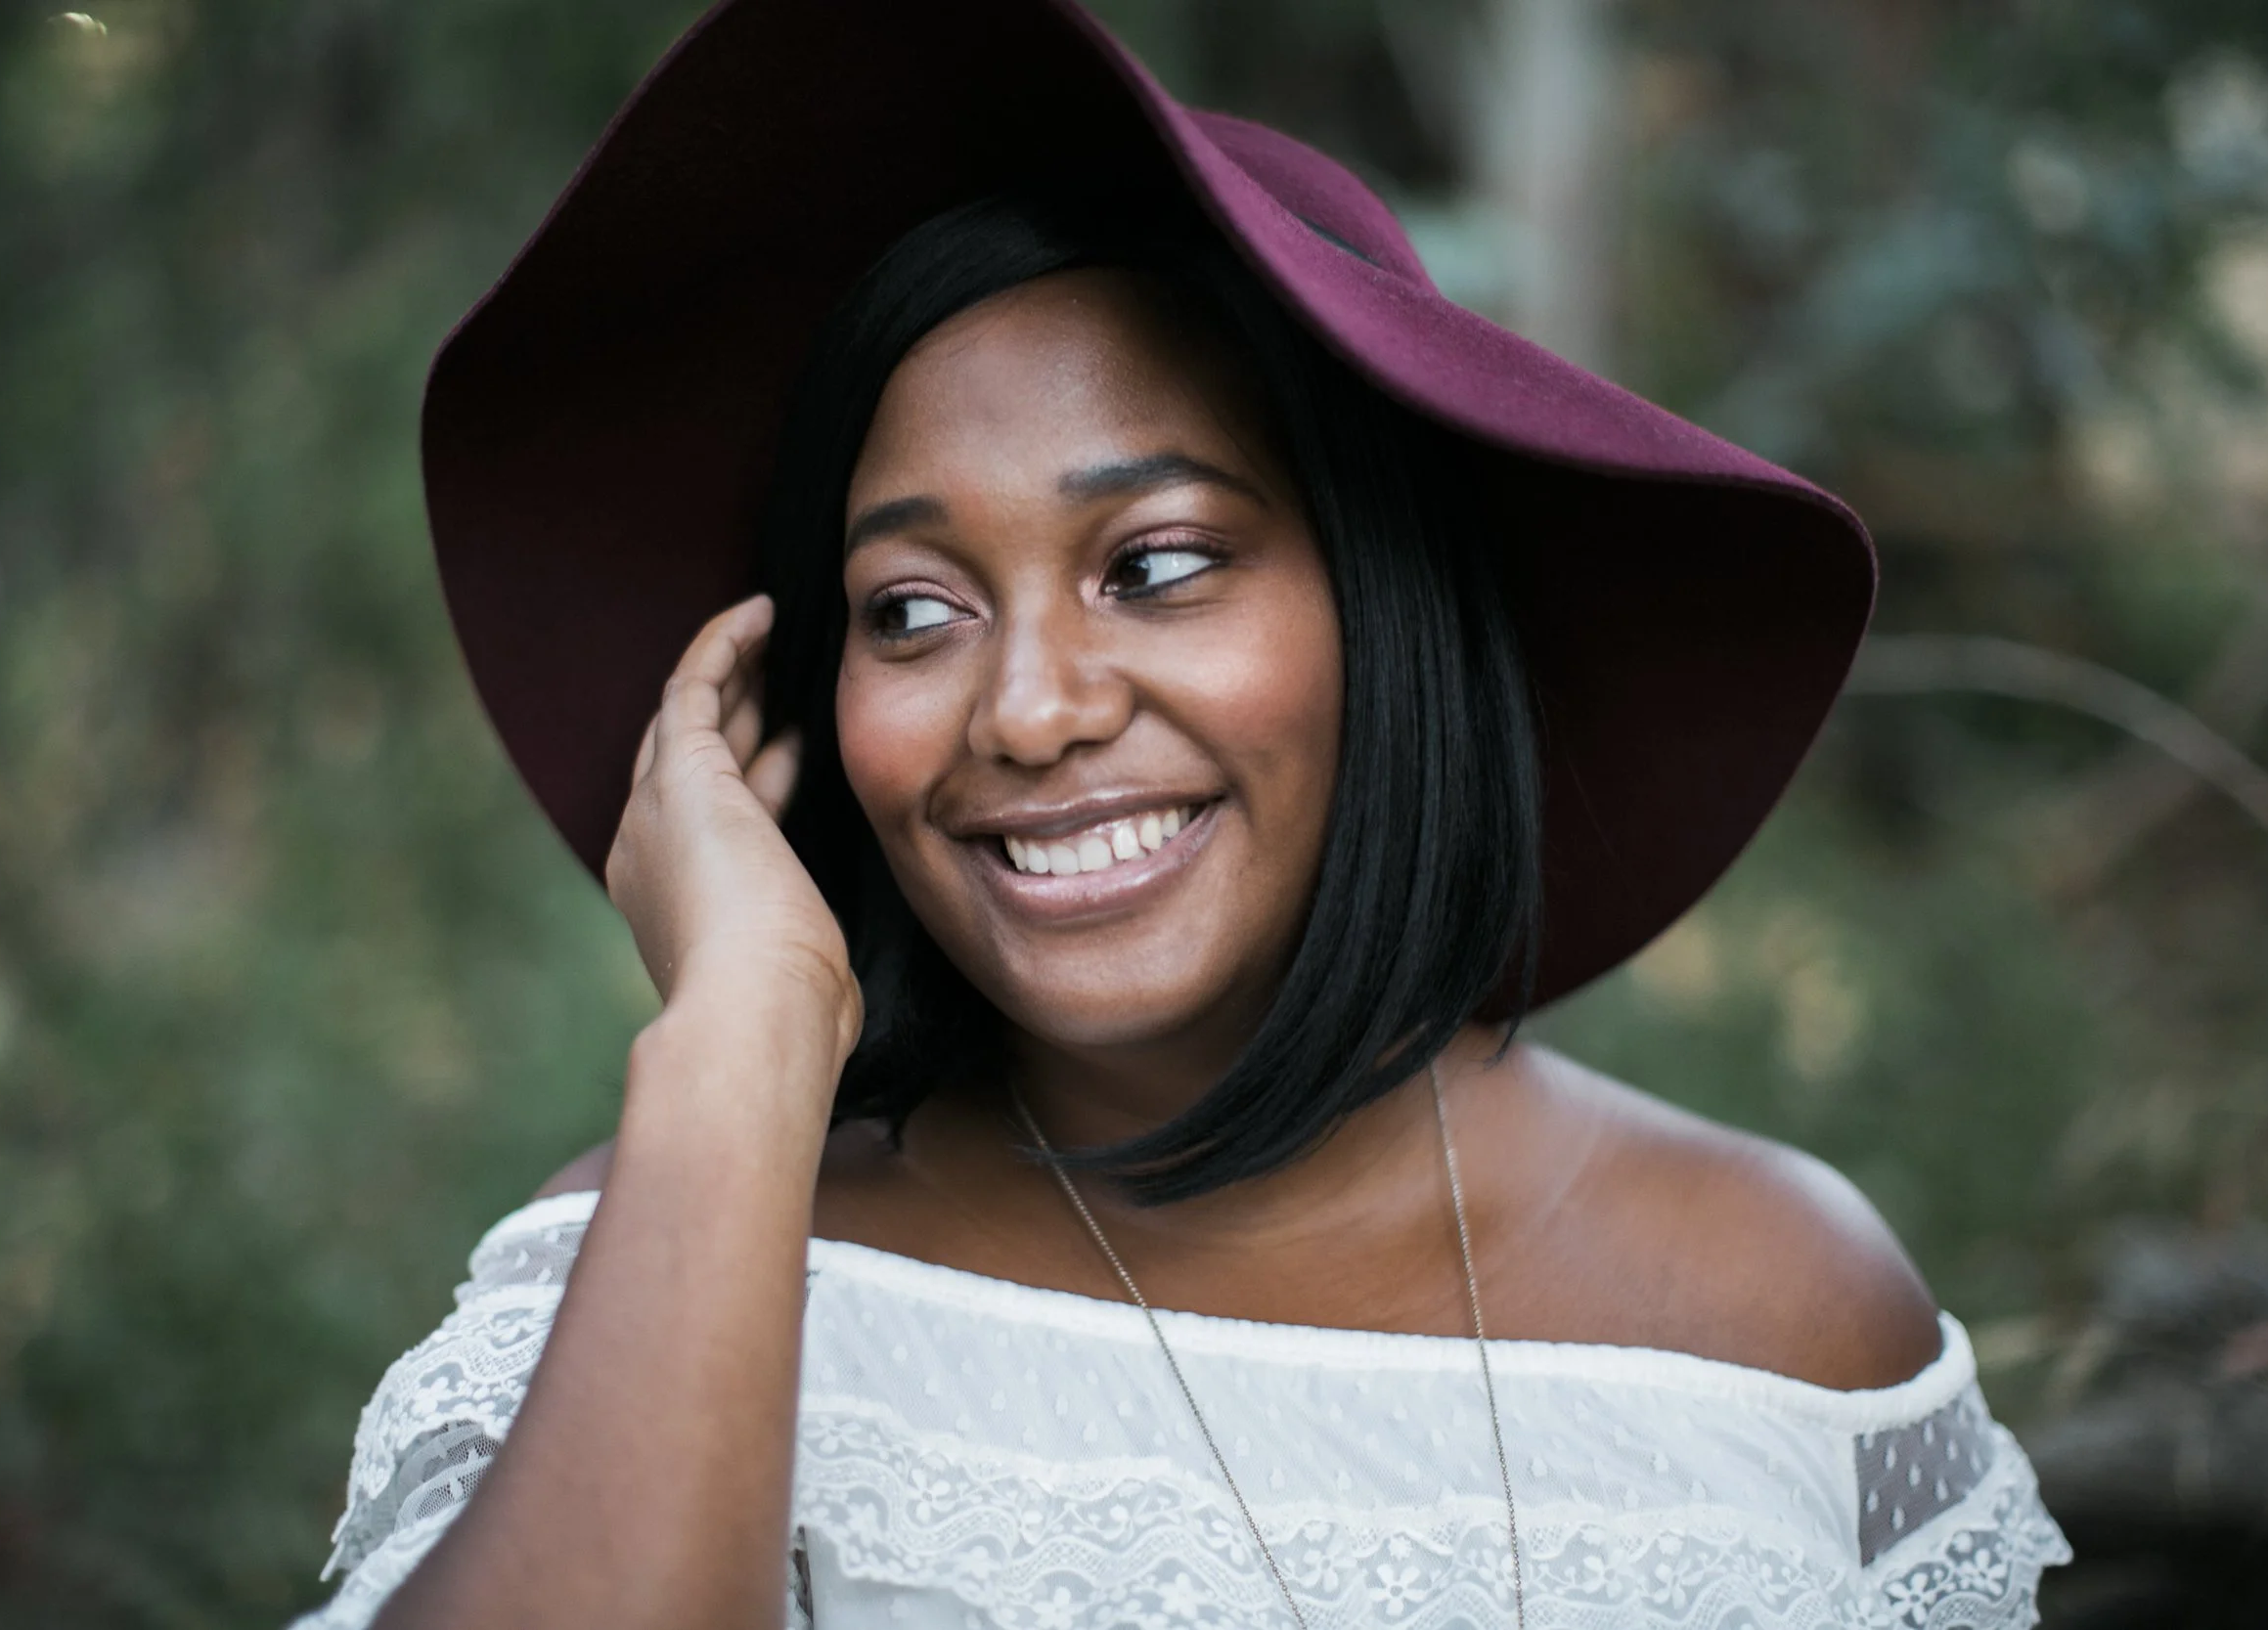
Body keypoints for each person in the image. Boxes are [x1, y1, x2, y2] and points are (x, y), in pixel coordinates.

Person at [291, 0, 2069, 1624]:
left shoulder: (1787, 1322)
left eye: (1154, 564)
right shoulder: (657, 1258)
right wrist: (742, 1040)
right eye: (912, 608)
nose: (1033, 709)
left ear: (1384, 615)